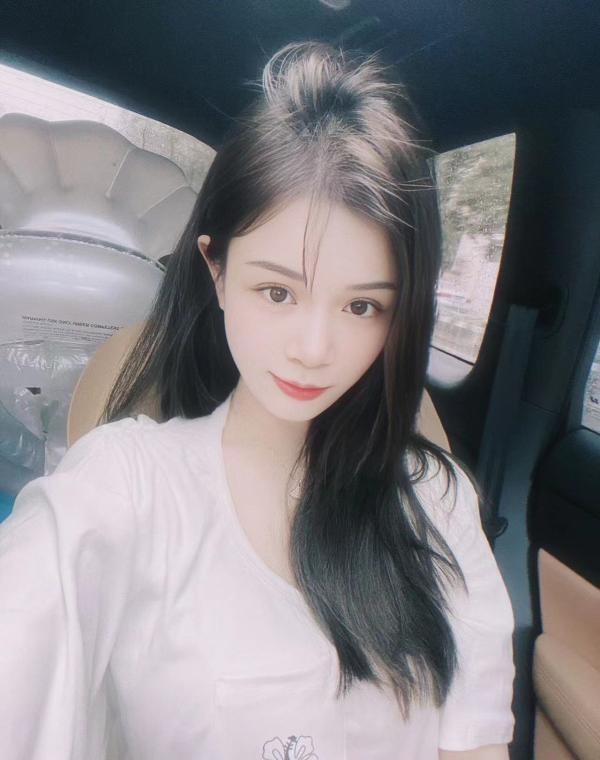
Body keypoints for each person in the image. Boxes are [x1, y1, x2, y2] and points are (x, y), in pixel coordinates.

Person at [0, 42, 515, 760]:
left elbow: (476, 742)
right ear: (216, 271)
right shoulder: (128, 484)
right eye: (277, 291)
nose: (314, 348)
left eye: (362, 307)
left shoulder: (436, 500)